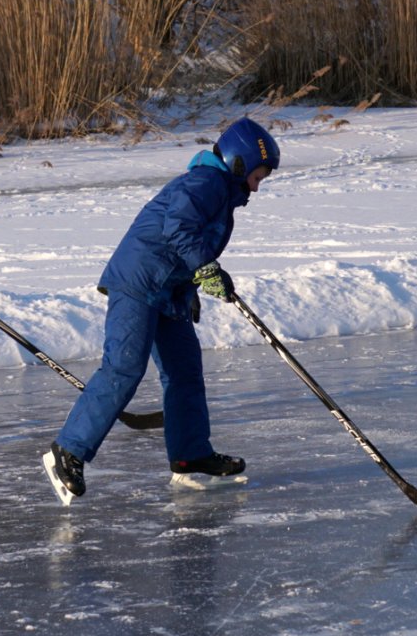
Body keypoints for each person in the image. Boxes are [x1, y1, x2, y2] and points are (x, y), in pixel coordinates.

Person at [45, 117, 280, 500]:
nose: (256, 186)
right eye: (257, 176)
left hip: (167, 292)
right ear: (239, 161)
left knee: (184, 372)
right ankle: (68, 450)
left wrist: (192, 286)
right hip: (138, 283)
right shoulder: (206, 182)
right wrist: (205, 268)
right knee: (124, 367)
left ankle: (191, 458)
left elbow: (184, 245)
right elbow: (179, 227)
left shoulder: (220, 192)